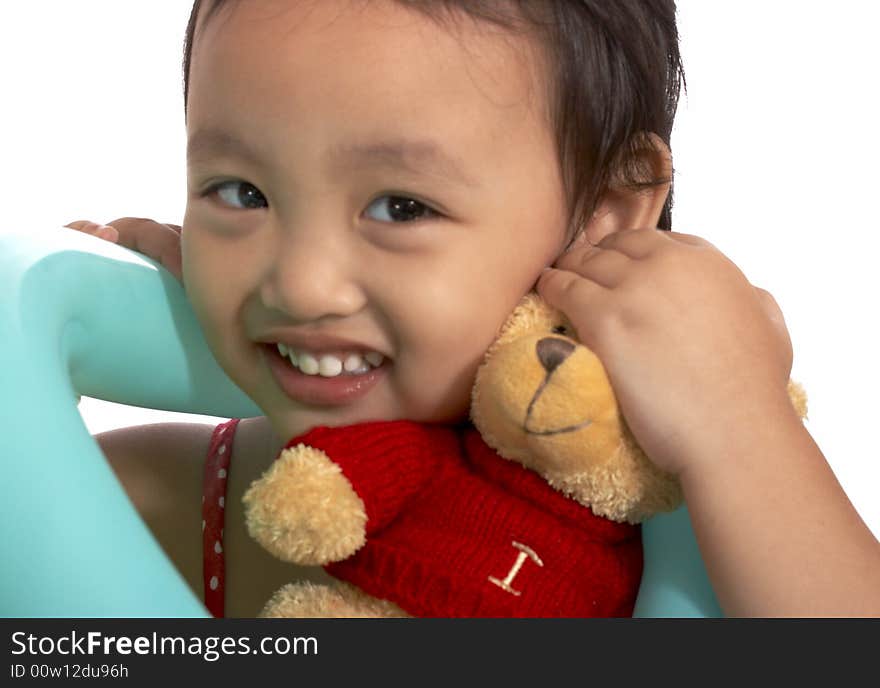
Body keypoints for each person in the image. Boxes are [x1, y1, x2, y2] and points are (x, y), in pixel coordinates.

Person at [66, 0, 880, 618]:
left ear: (607, 207)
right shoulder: (155, 498)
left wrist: (740, 424)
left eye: (401, 208)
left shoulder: (706, 500)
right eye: (242, 194)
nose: (300, 285)